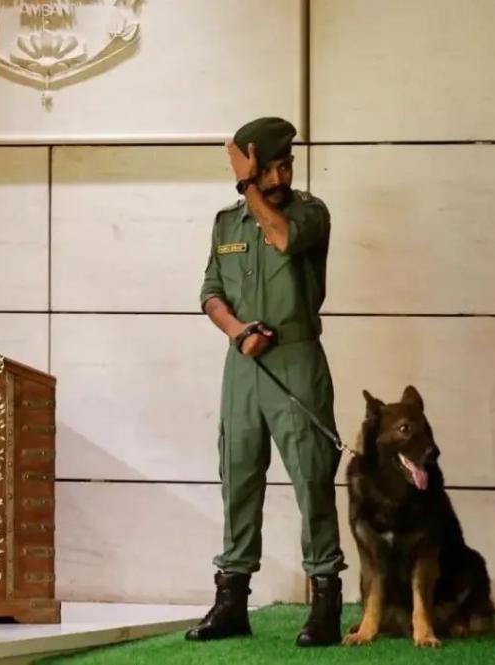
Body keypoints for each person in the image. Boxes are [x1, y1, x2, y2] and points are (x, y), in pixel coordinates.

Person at [186, 117, 345, 645]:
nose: (279, 177)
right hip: (243, 365)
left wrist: (247, 184)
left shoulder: (310, 213)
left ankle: (325, 600)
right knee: (237, 477)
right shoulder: (226, 223)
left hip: (296, 360)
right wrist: (237, 332)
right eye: (269, 169)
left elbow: (281, 237)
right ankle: (232, 601)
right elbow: (210, 292)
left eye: (285, 166)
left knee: (311, 478)